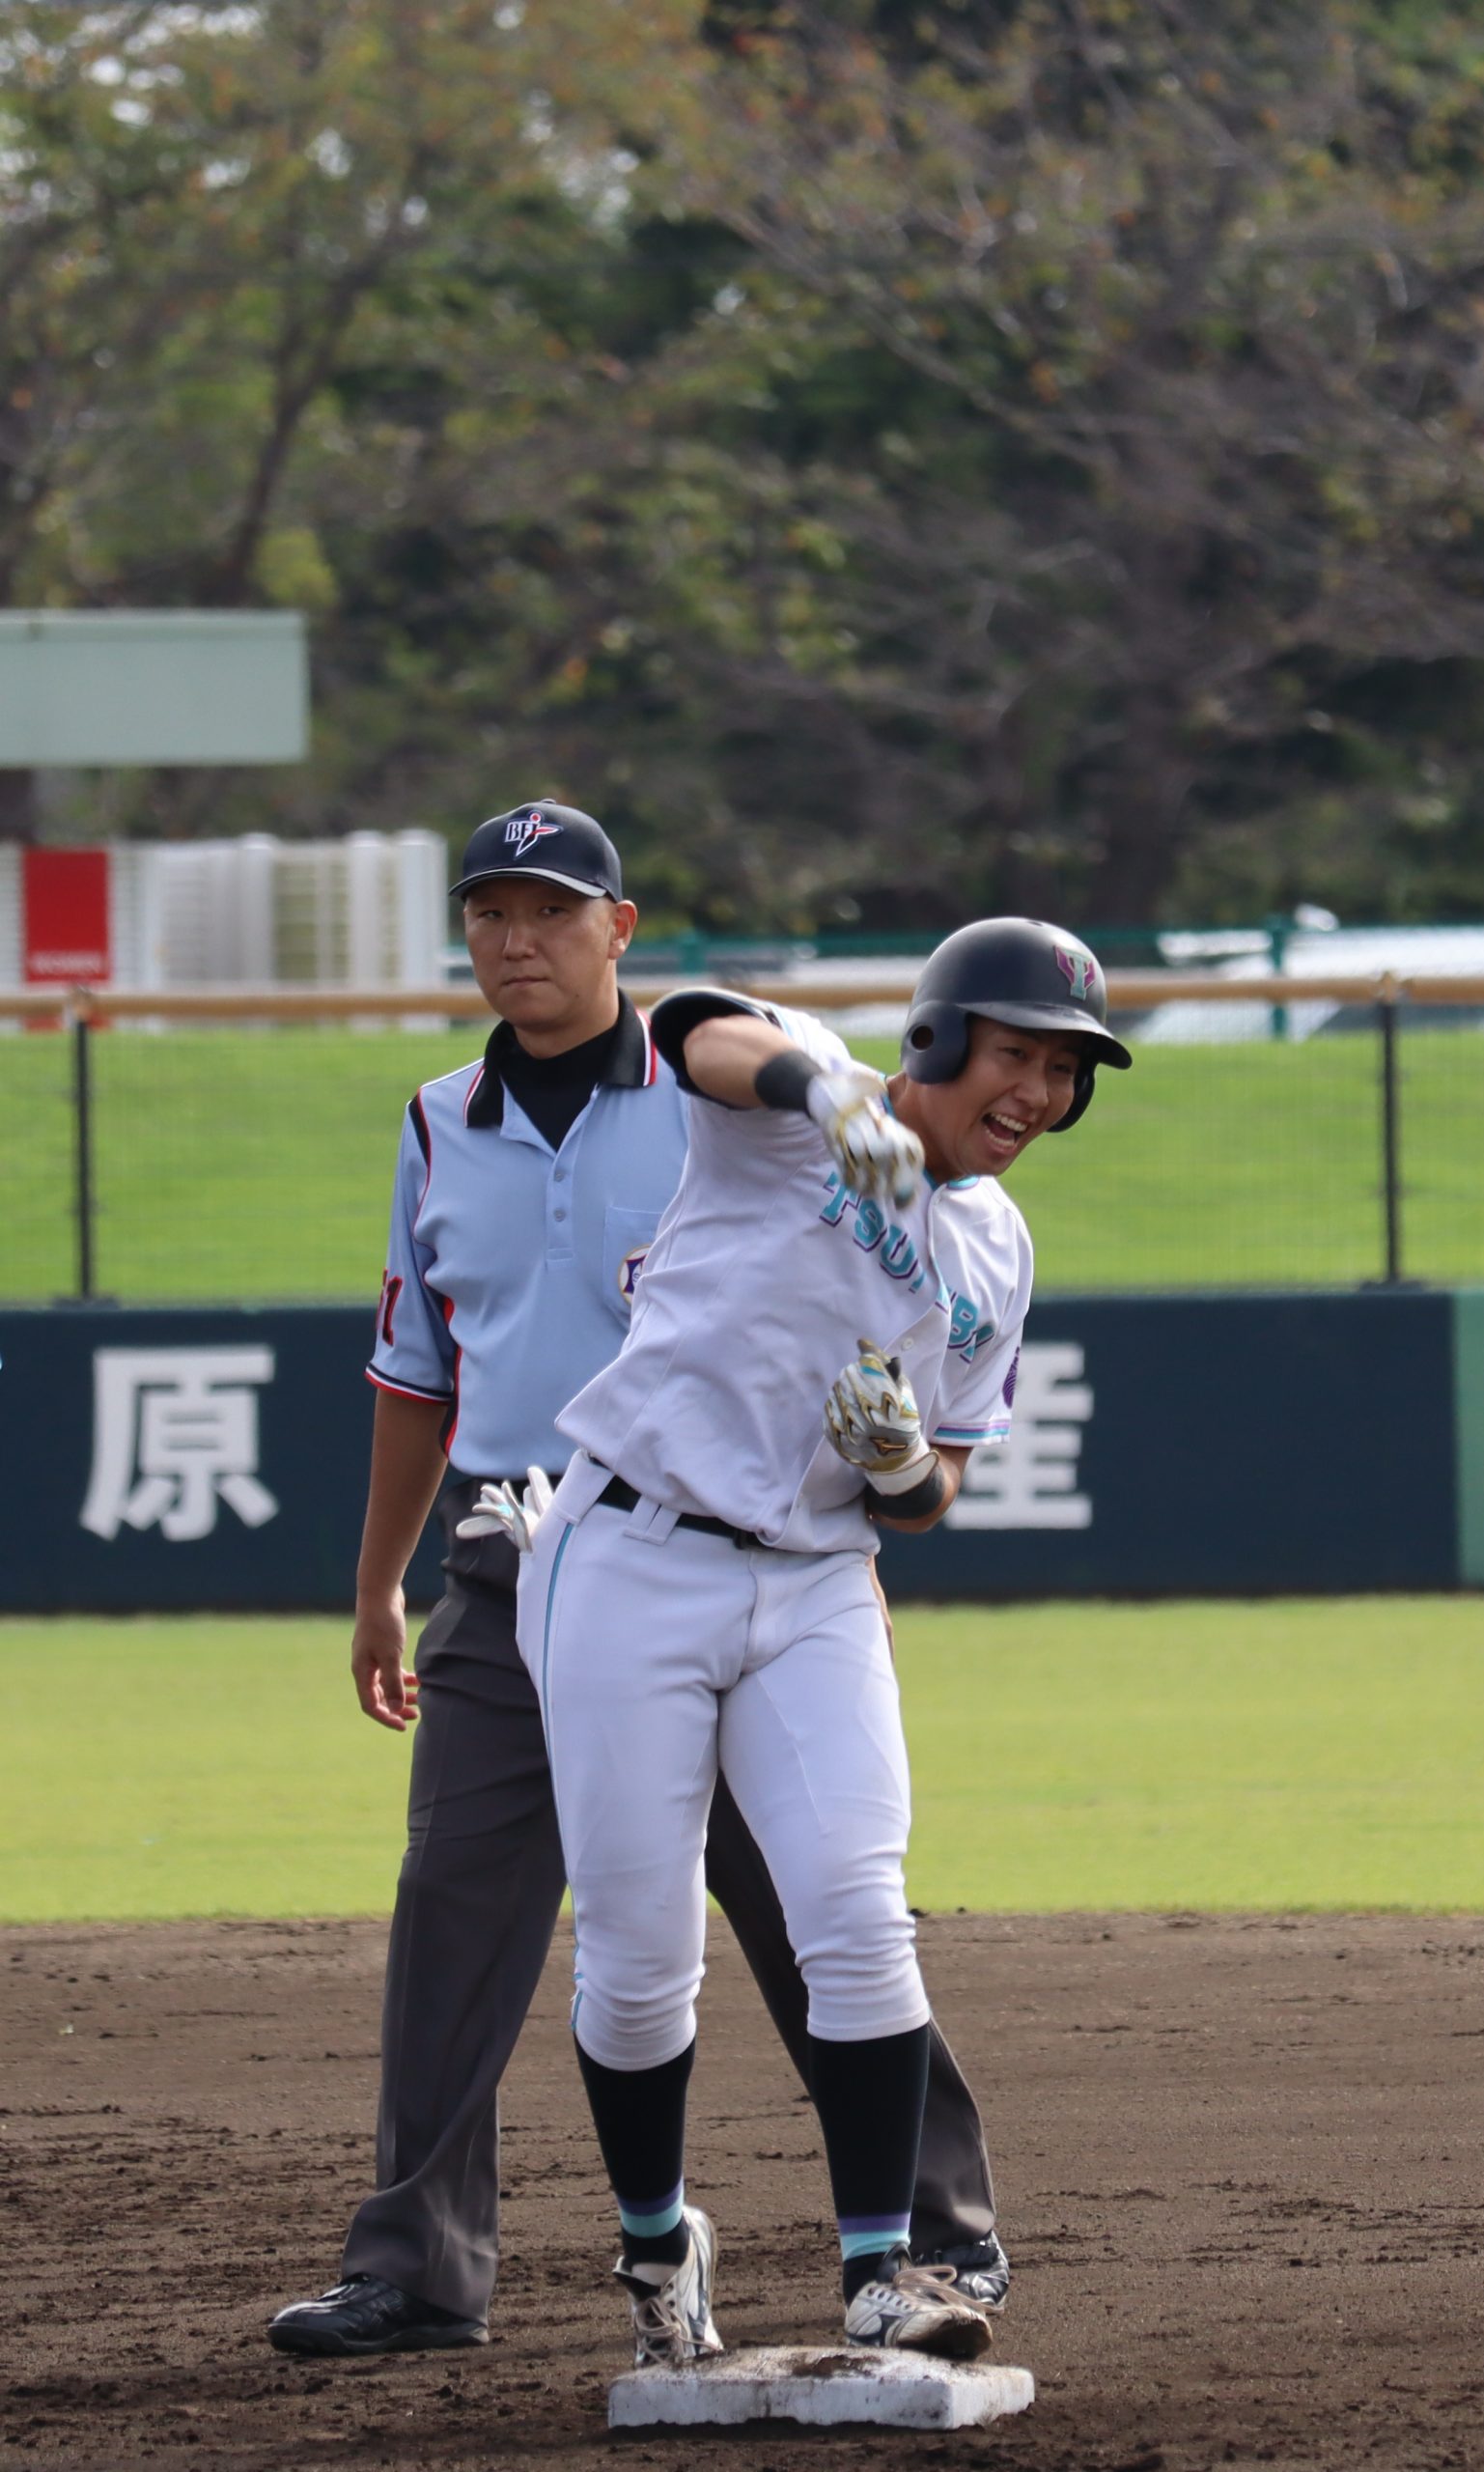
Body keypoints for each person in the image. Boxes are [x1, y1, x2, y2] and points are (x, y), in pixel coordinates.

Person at [266, 803, 1009, 2359]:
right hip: (515, 1546)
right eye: (490, 912)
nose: (517, 939)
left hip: (735, 1541)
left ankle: (934, 2230)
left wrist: (850, 1527)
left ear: (617, 927)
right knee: (462, 1907)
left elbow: (759, 1083)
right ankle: (419, 2265)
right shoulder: (437, 1120)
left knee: (818, 1896)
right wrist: (380, 1584)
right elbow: (414, 1373)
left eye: (552, 909)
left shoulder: (709, 1096)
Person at [488, 917, 1132, 2368]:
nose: (1038, 1092)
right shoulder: (800, 1101)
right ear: (937, 1039)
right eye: (1016, 1054)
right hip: (630, 1554)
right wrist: (825, 1096)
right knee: (639, 1956)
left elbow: (935, 1486)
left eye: (1066, 1072)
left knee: (855, 1907)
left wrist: (901, 1468)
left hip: (818, 1585)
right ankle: (659, 2246)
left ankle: (883, 2267)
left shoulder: (997, 1246)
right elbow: (694, 1030)